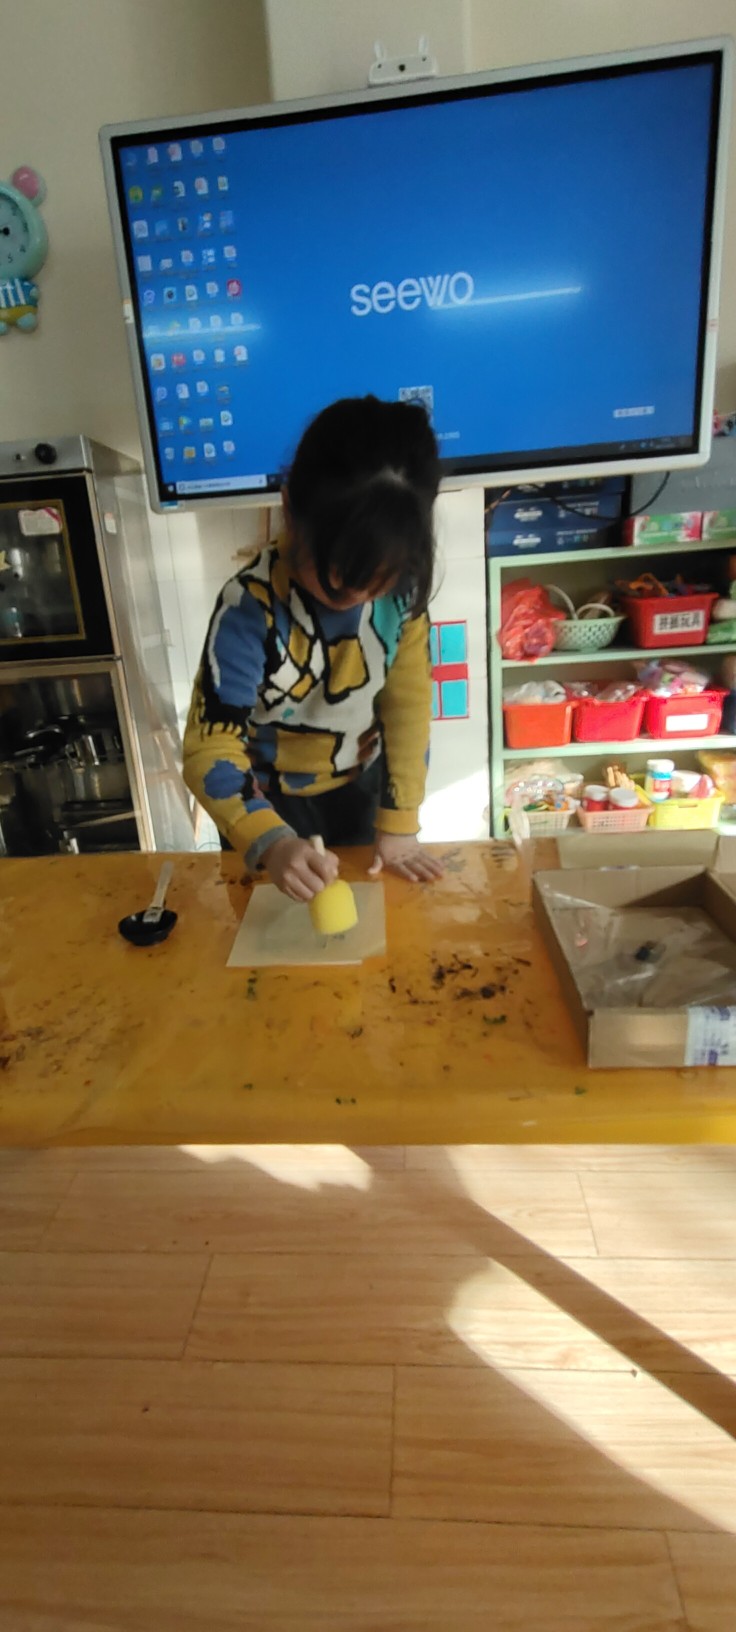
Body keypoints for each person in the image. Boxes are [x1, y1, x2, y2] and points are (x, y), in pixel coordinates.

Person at [183, 394, 444, 902]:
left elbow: (408, 709)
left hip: (360, 789)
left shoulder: (404, 596)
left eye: (376, 580)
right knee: (267, 925)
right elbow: (209, 747)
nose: (355, 594)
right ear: (289, 509)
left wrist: (399, 822)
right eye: (336, 573)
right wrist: (271, 842)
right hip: (261, 801)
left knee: (367, 917)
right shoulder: (249, 607)